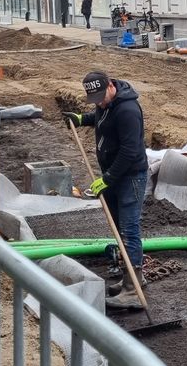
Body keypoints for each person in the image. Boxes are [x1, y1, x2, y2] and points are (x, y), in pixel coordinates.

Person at [63, 71, 148, 311]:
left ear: (111, 85)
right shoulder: (106, 103)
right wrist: (82, 118)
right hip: (114, 176)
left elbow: (130, 151)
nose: (99, 102)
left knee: (130, 230)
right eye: (95, 99)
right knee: (120, 229)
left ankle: (133, 291)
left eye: (101, 97)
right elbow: (101, 118)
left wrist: (107, 178)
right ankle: (132, 277)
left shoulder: (128, 111)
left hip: (130, 177)